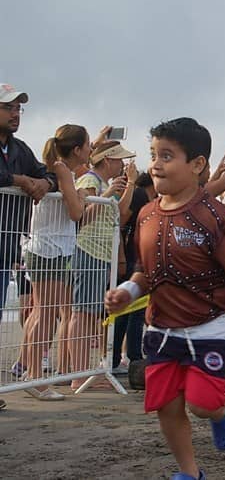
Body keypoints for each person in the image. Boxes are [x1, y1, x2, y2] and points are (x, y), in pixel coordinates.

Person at [104, 117, 225, 480]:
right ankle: (189, 473)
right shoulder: (146, 215)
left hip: (211, 325)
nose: (156, 164)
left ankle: (222, 409)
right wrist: (126, 292)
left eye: (167, 155)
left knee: (201, 404)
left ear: (197, 165)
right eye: (153, 154)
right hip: (161, 329)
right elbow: (146, 272)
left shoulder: (218, 218)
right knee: (166, 404)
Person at [19, 125, 90, 401]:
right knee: (45, 313)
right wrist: (81, 197)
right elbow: (76, 212)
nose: (90, 150)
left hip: (53, 249)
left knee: (44, 311)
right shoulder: (61, 169)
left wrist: (79, 197)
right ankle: (35, 375)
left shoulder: (63, 169)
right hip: (47, 249)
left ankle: (31, 371)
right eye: (87, 145)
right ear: (77, 149)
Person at [69, 136, 136, 390]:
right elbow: (81, 216)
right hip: (88, 250)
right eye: (120, 159)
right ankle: (78, 374)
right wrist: (107, 193)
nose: (122, 164)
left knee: (91, 315)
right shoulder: (90, 180)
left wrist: (127, 185)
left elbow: (120, 213)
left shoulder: (103, 182)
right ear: (109, 160)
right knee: (82, 314)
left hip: (100, 254)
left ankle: (84, 372)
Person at [0, 83, 58, 314]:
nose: (15, 114)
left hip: (6, 247)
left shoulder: (19, 148)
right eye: (8, 107)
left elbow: (47, 172)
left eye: (18, 108)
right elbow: (22, 178)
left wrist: (46, 183)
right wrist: (19, 180)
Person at [111, 171, 156, 374]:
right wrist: (121, 256)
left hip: (133, 258)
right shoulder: (139, 195)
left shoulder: (145, 197)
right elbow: (120, 223)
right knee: (134, 312)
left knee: (126, 312)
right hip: (130, 259)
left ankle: (120, 358)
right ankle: (134, 357)